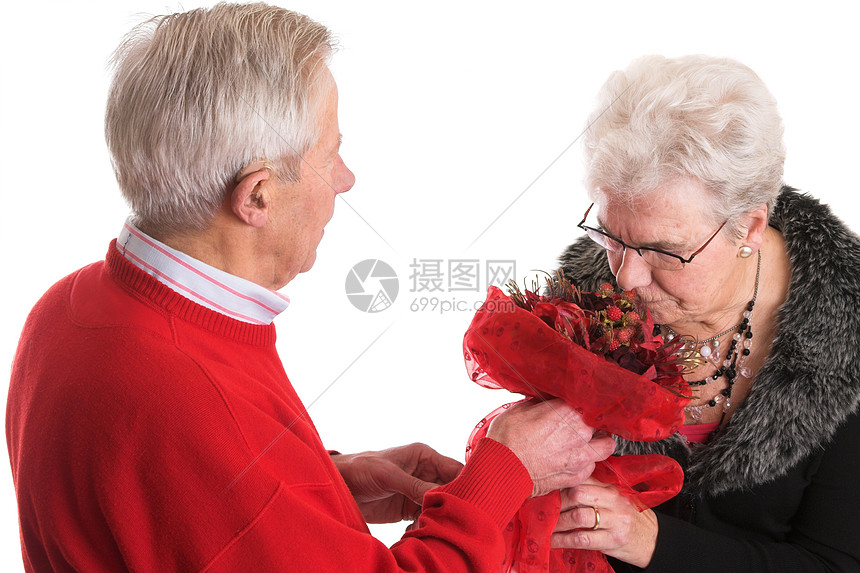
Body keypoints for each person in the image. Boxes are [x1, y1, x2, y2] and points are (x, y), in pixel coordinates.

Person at [4, 4, 616, 572]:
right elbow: (208, 461)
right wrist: (503, 473)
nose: (346, 180)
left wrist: (320, 487)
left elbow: (178, 506)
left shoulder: (66, 305)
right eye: (333, 154)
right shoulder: (190, 403)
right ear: (258, 196)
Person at [549, 54, 860, 571]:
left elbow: (836, 563)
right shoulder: (583, 300)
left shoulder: (850, 341)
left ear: (751, 227)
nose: (625, 278)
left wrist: (653, 543)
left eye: (666, 252)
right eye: (611, 235)